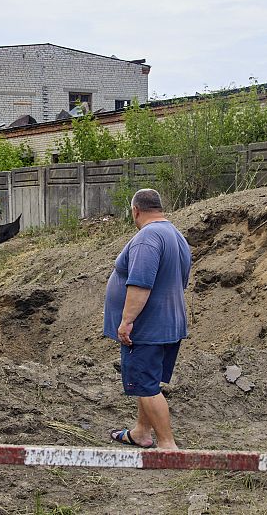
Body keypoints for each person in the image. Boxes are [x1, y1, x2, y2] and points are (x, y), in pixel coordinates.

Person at [103, 188, 191, 450]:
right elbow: (182, 278)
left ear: (135, 210)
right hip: (167, 322)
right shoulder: (174, 233)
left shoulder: (147, 237)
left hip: (147, 327)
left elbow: (140, 284)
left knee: (147, 386)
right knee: (147, 382)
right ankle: (141, 432)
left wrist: (127, 320)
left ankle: (168, 446)